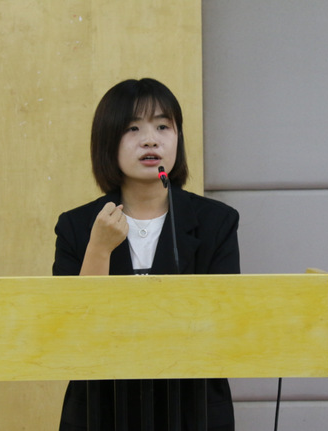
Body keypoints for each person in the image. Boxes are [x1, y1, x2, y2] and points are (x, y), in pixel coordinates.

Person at [53, 78, 240, 430]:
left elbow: (224, 323)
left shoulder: (217, 222)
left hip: (192, 410)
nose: (150, 139)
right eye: (132, 128)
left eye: (163, 126)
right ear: (107, 141)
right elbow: (71, 331)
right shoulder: (76, 226)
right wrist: (99, 249)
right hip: (102, 409)